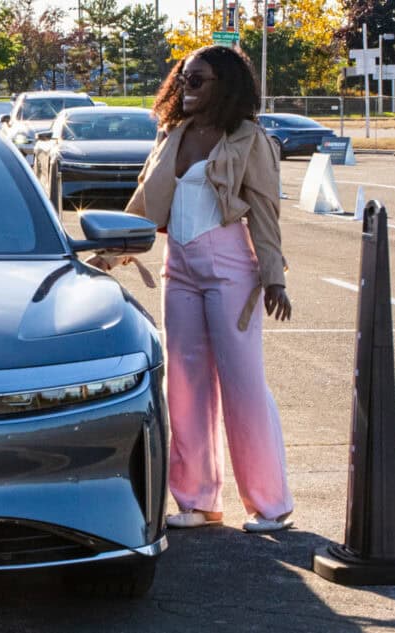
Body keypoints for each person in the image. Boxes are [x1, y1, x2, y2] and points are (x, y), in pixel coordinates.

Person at [124, 45, 294, 533]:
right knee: (184, 385)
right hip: (180, 271)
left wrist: (274, 277)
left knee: (242, 386)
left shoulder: (247, 139)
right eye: (181, 80)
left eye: (197, 81)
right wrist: (110, 250)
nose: (186, 90)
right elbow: (144, 202)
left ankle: (270, 503)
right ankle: (197, 500)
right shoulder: (172, 135)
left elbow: (263, 212)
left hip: (230, 270)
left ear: (226, 86)